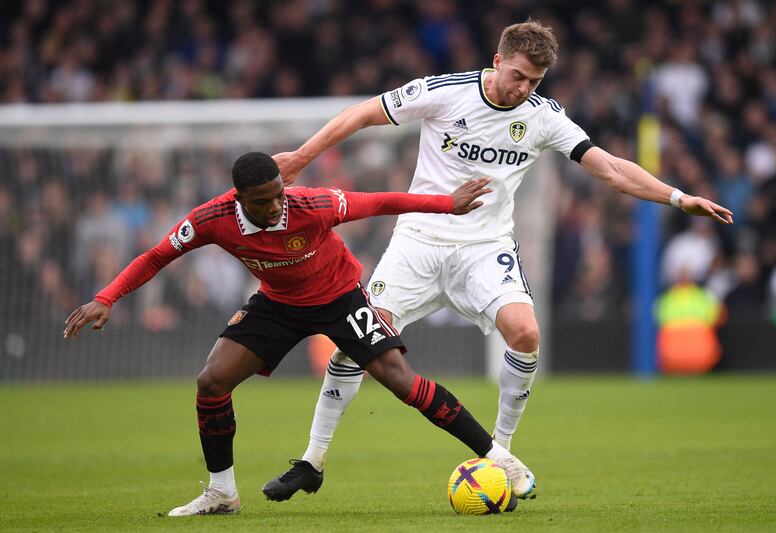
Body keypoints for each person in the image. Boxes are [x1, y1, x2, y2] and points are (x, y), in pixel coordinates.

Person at [265, 19, 734, 507]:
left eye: (535, 81)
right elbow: (363, 113)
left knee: (526, 333)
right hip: (419, 239)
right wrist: (301, 157)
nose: (523, 88)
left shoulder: (544, 116)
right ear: (497, 61)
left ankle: (501, 454)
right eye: (517, 76)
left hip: (485, 247)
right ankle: (311, 463)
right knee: (354, 348)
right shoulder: (446, 92)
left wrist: (679, 198)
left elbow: (612, 169)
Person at [62, 152, 537, 516]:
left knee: (400, 381)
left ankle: (501, 458)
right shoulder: (212, 219)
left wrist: (445, 206)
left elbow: (380, 202)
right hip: (277, 306)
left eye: (278, 194)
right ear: (238, 198)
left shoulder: (312, 204)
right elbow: (157, 255)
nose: (274, 206)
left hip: (341, 299)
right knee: (210, 382)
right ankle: (222, 492)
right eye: (262, 200)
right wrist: (107, 297)